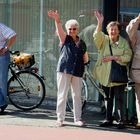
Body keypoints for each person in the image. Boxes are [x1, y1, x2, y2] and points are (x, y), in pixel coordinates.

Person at [48, 10, 89, 127]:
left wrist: (85, 64)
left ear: (78, 29)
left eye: (74, 29)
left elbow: (85, 57)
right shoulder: (64, 39)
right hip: (64, 70)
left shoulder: (82, 43)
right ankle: (60, 119)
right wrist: (57, 20)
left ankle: (78, 119)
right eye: (69, 29)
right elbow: (60, 30)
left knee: (77, 96)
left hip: (78, 71)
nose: (71, 31)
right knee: (62, 94)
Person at [93, 11, 132, 129]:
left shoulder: (124, 42)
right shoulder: (104, 40)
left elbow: (128, 56)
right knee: (107, 98)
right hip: (105, 75)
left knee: (120, 99)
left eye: (115, 29)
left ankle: (121, 121)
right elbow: (96, 36)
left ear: (119, 31)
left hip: (118, 75)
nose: (113, 31)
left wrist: (114, 58)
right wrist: (99, 22)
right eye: (111, 29)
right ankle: (108, 119)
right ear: (108, 30)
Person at [126, 14, 140, 129]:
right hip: (138, 72)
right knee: (139, 98)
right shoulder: (137, 35)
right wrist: (138, 19)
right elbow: (130, 31)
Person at [0, 23, 16, 114]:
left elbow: (13, 34)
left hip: (1, 56)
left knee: (2, 81)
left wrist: (6, 47)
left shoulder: (1, 27)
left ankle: (1, 104)